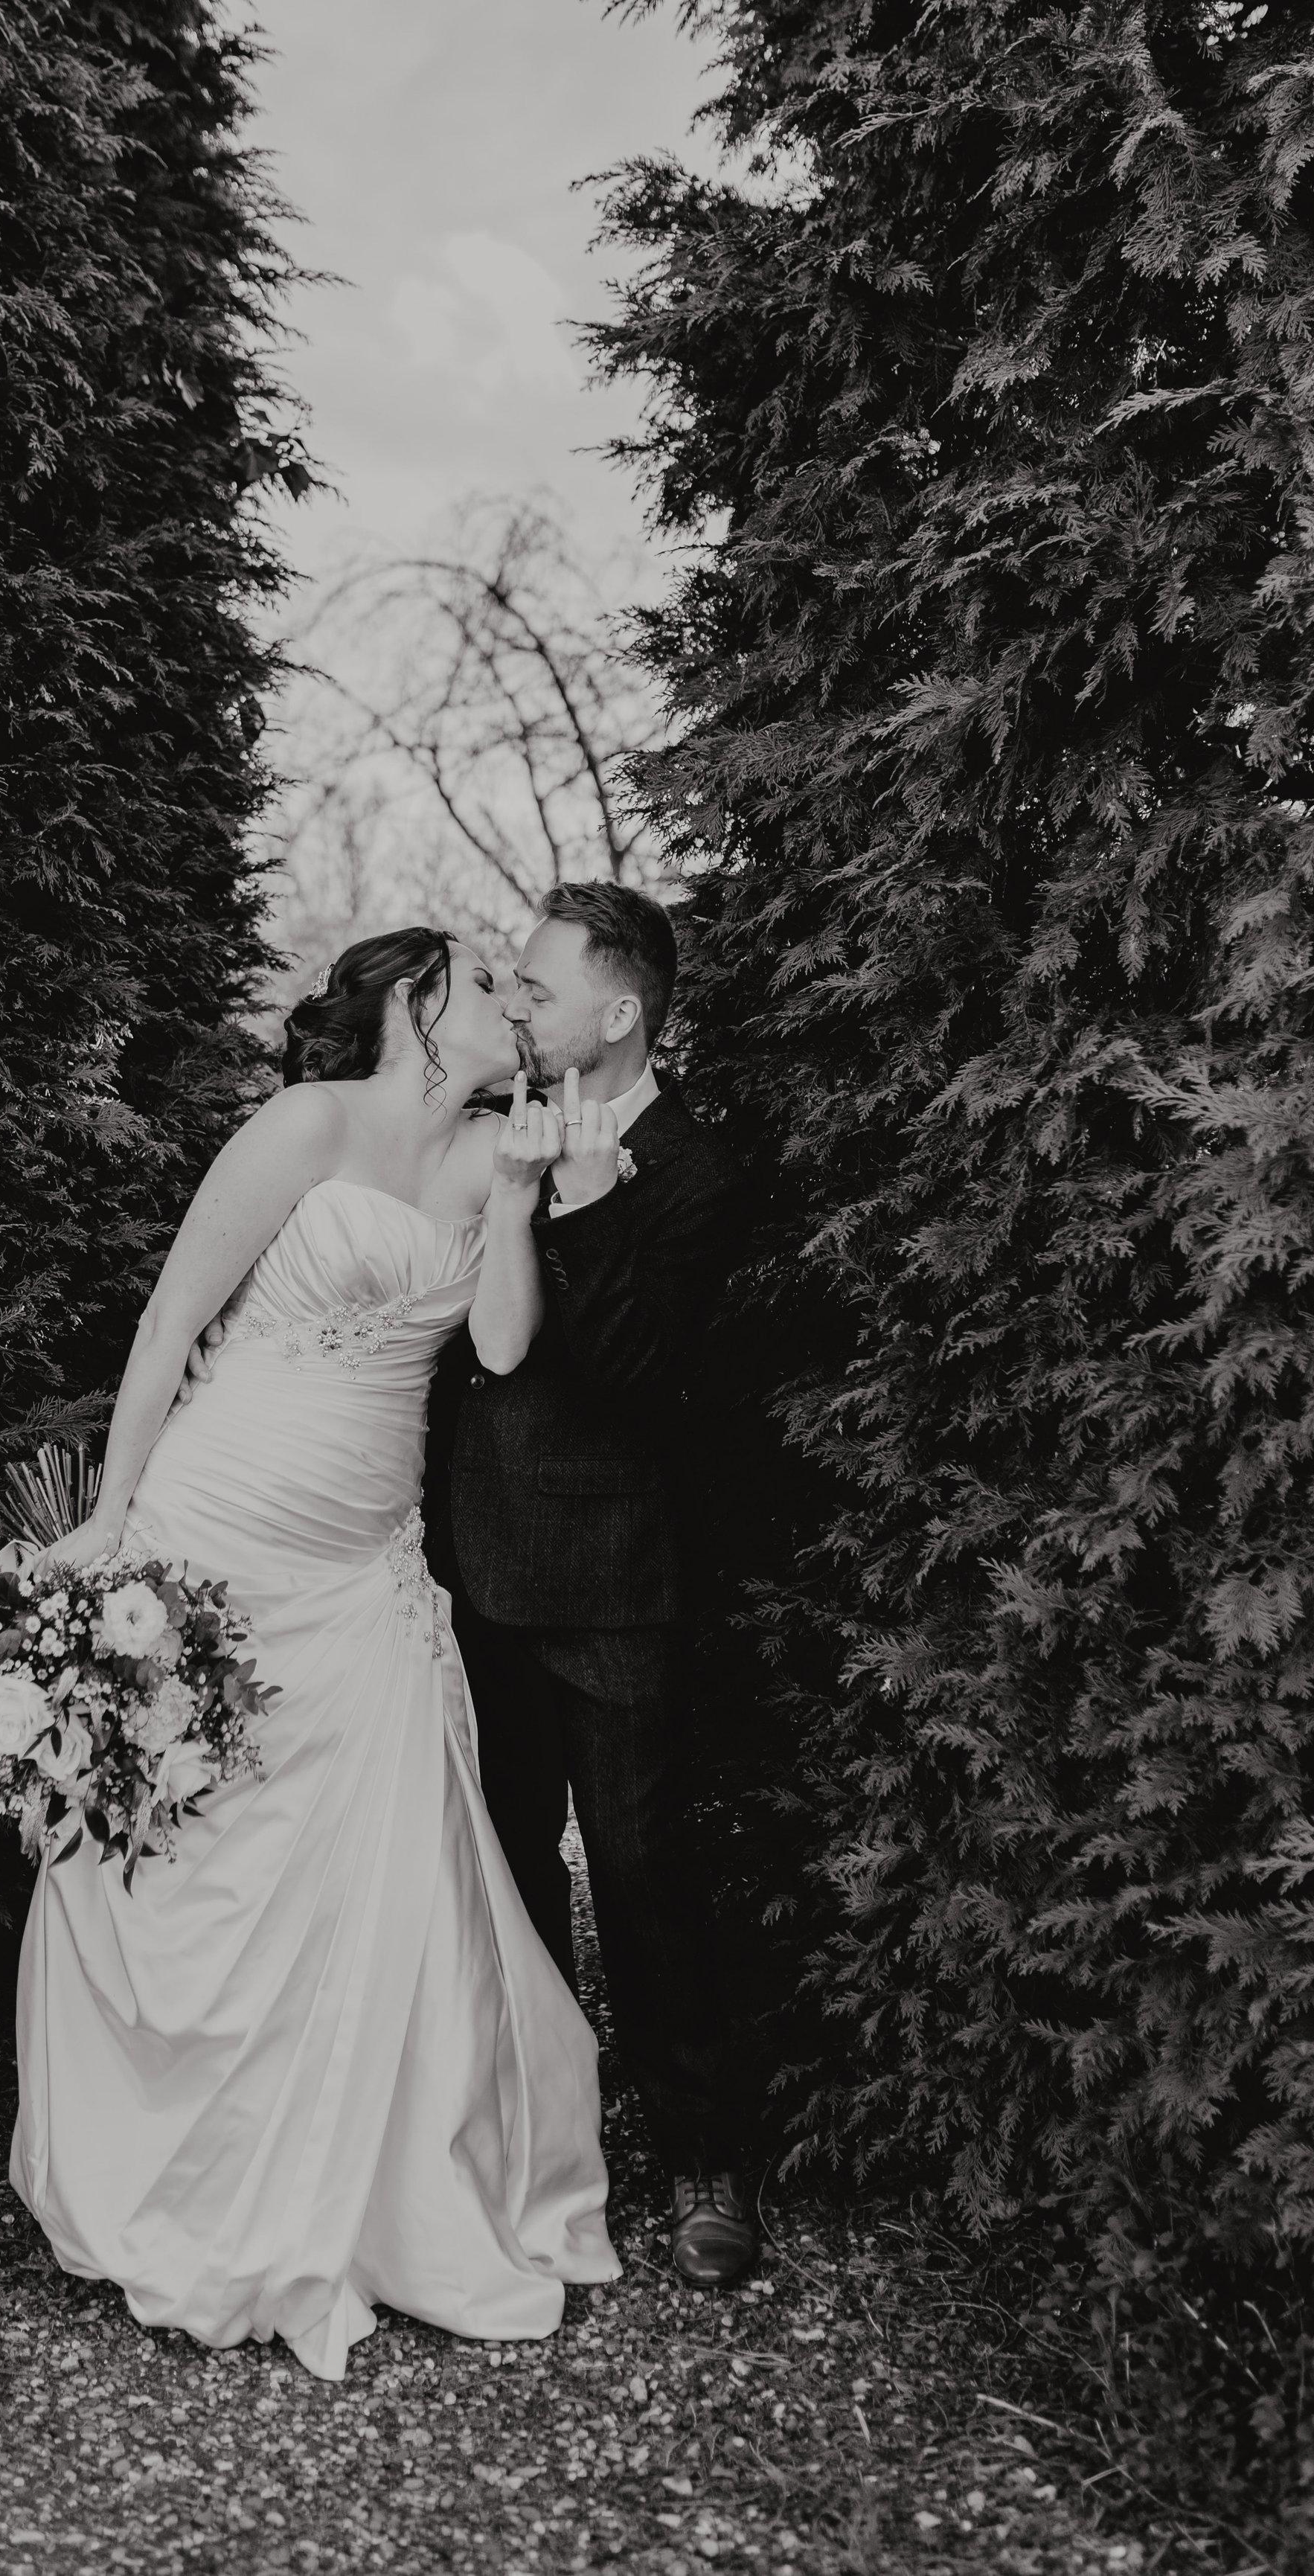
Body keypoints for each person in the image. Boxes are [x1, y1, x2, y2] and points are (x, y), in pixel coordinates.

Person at [13, 929, 619, 2380]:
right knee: (206, 1845)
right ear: (418, 1004)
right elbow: (174, 1316)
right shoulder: (306, 1123)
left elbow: (501, 1346)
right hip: (219, 1517)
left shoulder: (489, 1154)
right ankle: (196, 2182)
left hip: (362, 1563)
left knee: (369, 1865)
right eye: (486, 982)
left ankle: (362, 2200)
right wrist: (113, 1518)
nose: (508, 1007)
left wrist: (526, 1198)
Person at [426, 882, 757, 2292]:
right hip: (482, 1565)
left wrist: (595, 1207)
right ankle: (540, 2144)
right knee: (504, 1868)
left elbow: (650, 1386)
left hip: (618, 1576)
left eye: (544, 989)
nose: (524, 1006)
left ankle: (708, 2159)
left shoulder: (700, 1174)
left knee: (640, 1870)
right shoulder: (489, 1134)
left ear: (620, 1014)